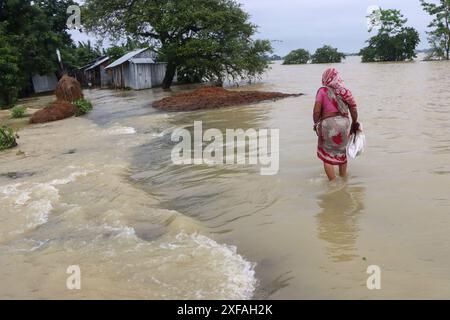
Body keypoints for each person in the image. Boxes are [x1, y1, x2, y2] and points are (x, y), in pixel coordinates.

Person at [313, 68, 360, 181]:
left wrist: (316, 122)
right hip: (344, 125)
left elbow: (316, 111)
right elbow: (353, 110)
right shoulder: (345, 92)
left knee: (327, 157)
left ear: (325, 78)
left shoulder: (322, 91)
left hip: (328, 125)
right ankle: (343, 179)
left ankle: (333, 182)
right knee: (341, 154)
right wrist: (354, 123)